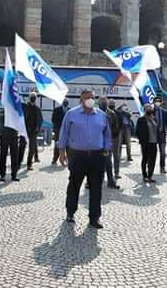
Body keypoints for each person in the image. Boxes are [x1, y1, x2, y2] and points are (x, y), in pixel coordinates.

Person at [58, 89, 112, 229]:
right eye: (87, 97)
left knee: (96, 189)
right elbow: (64, 133)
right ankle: (70, 212)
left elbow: (107, 134)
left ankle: (94, 218)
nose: (90, 100)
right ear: (81, 100)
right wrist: (61, 151)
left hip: (97, 156)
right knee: (74, 186)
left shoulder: (101, 115)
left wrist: (106, 149)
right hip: (77, 156)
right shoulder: (71, 114)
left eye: (92, 97)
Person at [100, 97, 120, 189]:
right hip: (96, 141)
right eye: (101, 101)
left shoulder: (112, 114)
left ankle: (110, 181)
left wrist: (111, 138)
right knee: (94, 162)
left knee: (108, 162)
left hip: (107, 141)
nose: (103, 103)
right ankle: (90, 181)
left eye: (104, 101)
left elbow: (116, 127)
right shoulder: (94, 112)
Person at [19, 92, 42, 170]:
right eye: (32, 96)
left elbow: (40, 119)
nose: (33, 98)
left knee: (32, 148)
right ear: (29, 97)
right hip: (24, 130)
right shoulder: (24, 107)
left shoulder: (37, 108)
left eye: (34, 97)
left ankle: (29, 164)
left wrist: (38, 127)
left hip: (33, 131)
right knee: (22, 146)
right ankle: (18, 162)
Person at [136, 104, 159, 183]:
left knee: (153, 160)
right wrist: (142, 140)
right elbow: (137, 132)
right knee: (145, 159)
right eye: (147, 108)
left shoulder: (155, 119)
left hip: (154, 142)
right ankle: (144, 175)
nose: (149, 110)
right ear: (145, 110)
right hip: (146, 143)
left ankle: (150, 176)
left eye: (150, 108)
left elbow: (157, 130)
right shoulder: (141, 119)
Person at [153, 97, 167, 174]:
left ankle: (162, 167)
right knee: (152, 152)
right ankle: (150, 167)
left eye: (159, 101)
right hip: (153, 135)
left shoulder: (164, 112)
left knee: (163, 152)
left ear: (161, 103)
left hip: (162, 134)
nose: (157, 103)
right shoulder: (151, 111)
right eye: (156, 101)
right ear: (154, 102)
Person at [51, 98, 69, 165]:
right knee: (57, 145)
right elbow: (53, 119)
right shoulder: (57, 110)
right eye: (64, 102)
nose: (65, 103)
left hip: (67, 131)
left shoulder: (70, 110)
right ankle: (54, 159)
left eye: (66, 102)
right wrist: (57, 128)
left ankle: (67, 160)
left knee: (68, 146)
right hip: (58, 130)